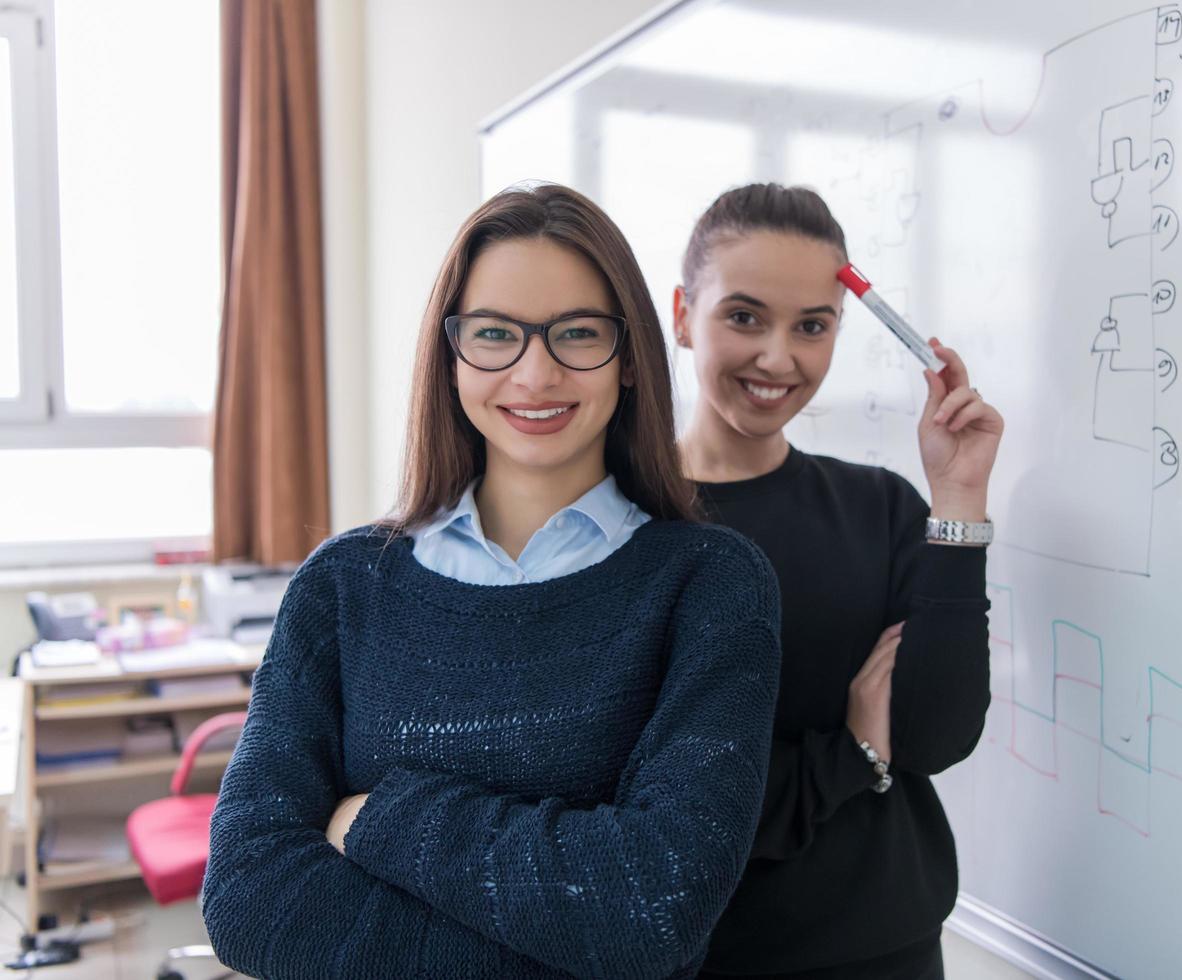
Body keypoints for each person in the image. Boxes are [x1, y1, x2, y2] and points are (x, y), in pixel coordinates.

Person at [202, 183, 783, 979]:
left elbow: (654, 909)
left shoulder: (710, 586)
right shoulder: (341, 587)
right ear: (450, 360)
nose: (534, 372)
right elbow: (247, 902)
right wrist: (566, 929)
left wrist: (379, 817)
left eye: (578, 333)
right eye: (494, 334)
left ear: (631, 361)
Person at [673, 184, 1003, 980]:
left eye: (812, 326)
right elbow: (674, 799)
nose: (779, 358)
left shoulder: (882, 507)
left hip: (886, 952)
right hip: (699, 956)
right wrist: (852, 753)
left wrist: (958, 499)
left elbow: (936, 736)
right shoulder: (625, 526)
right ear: (683, 315)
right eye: (744, 317)